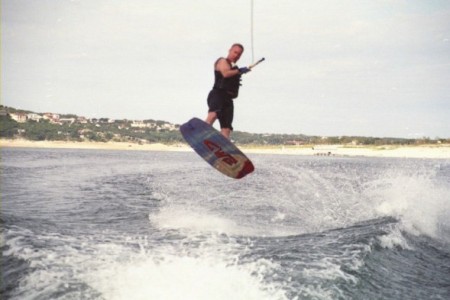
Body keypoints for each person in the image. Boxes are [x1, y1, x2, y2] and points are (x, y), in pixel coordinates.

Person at [205, 43, 251, 139]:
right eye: (235, 52)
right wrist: (239, 71)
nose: (236, 55)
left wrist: (239, 72)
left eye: (239, 54)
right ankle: (202, 133)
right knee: (213, 114)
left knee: (226, 128)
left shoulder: (234, 68)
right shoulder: (222, 61)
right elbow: (225, 73)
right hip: (218, 94)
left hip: (228, 100)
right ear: (229, 50)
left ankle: (224, 147)